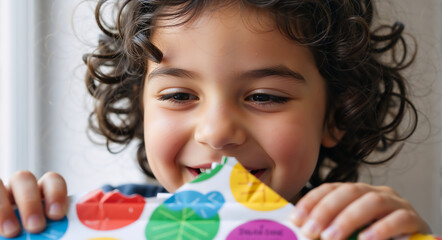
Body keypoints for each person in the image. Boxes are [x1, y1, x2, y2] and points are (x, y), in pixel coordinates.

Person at [0, 0, 431, 239]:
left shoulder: (357, 230)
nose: (217, 132)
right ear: (141, 107)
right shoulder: (95, 222)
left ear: (336, 114)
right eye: (180, 95)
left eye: (265, 96)